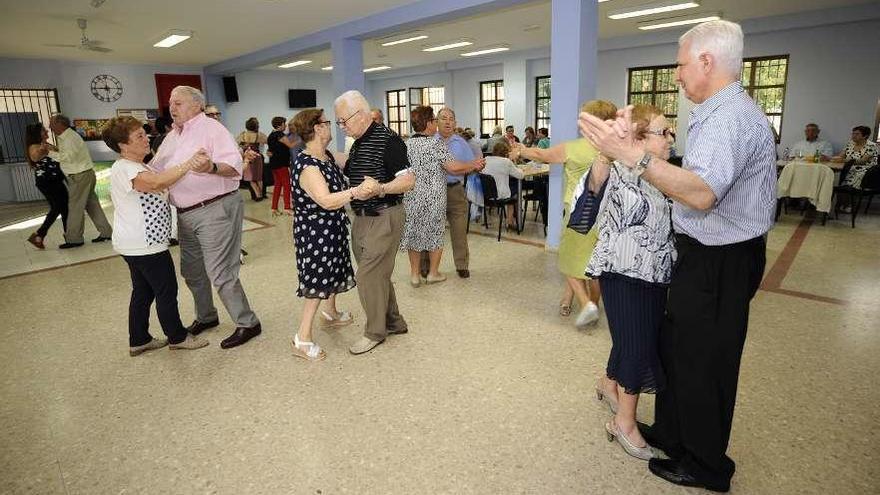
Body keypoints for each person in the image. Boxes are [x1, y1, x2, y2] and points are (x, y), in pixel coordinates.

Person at [580, 20, 776, 492]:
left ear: (707, 62)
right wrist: (617, 157)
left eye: (682, 64)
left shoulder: (729, 116)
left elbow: (704, 193)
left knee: (705, 361)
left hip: (721, 258)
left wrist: (635, 155)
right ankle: (673, 434)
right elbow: (589, 209)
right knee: (679, 351)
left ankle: (706, 464)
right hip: (701, 254)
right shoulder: (714, 111)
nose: (677, 74)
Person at [584, 104, 676, 461]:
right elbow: (588, 201)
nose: (670, 139)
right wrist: (605, 153)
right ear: (637, 137)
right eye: (663, 132)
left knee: (634, 336)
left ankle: (608, 382)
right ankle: (623, 423)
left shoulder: (661, 171)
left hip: (656, 271)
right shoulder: (614, 169)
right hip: (624, 273)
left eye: (670, 132)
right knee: (637, 345)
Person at [151, 85, 263, 350]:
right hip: (186, 213)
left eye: (178, 103)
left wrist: (211, 167)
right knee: (191, 271)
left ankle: (248, 323)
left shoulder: (213, 130)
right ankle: (207, 316)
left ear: (196, 106)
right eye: (171, 102)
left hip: (215, 208)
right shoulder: (173, 136)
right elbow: (156, 167)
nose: (172, 107)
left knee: (220, 271)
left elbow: (234, 167)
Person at [102, 116, 209, 356]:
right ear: (123, 145)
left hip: (138, 243)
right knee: (165, 291)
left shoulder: (139, 165)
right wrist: (190, 162)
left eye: (144, 133)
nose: (146, 138)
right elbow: (157, 182)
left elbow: (161, 176)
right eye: (139, 136)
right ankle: (178, 337)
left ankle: (139, 339)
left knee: (143, 291)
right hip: (144, 245)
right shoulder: (127, 168)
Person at [510, 100, 618, 327]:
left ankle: (586, 304)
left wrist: (521, 150)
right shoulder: (616, 148)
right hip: (607, 214)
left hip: (579, 213)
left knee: (568, 259)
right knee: (593, 263)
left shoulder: (576, 147)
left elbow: (542, 153)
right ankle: (578, 302)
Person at [335, 90, 415, 355]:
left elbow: (408, 180)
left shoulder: (388, 141)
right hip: (362, 217)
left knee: (368, 275)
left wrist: (379, 188)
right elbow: (351, 168)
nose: (342, 126)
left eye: (343, 120)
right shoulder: (359, 142)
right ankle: (394, 321)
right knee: (378, 274)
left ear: (360, 115)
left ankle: (375, 332)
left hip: (384, 214)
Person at [289, 108, 370, 360]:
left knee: (333, 271)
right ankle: (302, 338)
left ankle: (330, 313)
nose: (331, 126)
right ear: (316, 129)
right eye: (326, 123)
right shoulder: (308, 165)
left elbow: (349, 162)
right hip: (315, 232)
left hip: (331, 227)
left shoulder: (325, 156)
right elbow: (325, 200)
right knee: (317, 281)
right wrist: (357, 191)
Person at [402, 106, 481, 288]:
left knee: (416, 233)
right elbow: (452, 167)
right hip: (435, 195)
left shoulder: (407, 144)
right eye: (438, 119)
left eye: (449, 118)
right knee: (435, 234)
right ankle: (431, 273)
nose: (444, 122)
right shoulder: (435, 143)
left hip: (415, 195)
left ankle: (415, 276)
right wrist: (474, 164)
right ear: (430, 123)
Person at [429, 107, 486, 279]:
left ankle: (462, 265)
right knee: (431, 230)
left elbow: (473, 165)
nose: (447, 122)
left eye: (451, 119)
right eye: (443, 118)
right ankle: (426, 267)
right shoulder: (429, 142)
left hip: (456, 191)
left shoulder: (461, 143)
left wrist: (477, 166)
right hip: (434, 191)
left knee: (459, 231)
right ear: (436, 122)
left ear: (455, 123)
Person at [47, 113, 113, 249]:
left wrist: (48, 153)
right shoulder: (66, 136)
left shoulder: (69, 137)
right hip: (84, 174)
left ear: (60, 124)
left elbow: (69, 157)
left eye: (52, 124)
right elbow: (69, 154)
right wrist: (54, 149)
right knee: (92, 205)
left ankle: (74, 239)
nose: (50, 127)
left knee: (75, 207)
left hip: (80, 176)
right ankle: (106, 232)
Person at [24, 124, 67, 250]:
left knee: (63, 208)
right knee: (58, 207)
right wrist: (44, 148)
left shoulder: (47, 144)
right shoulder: (34, 147)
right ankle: (40, 235)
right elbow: (35, 156)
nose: (46, 131)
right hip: (47, 182)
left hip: (57, 181)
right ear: (37, 133)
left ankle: (67, 235)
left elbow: (62, 154)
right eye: (43, 130)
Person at [482, 141, 524, 230]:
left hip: (486, 195)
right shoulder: (506, 162)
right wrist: (515, 162)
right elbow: (520, 175)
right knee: (516, 191)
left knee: (512, 186)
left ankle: (512, 219)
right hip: (500, 194)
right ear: (506, 153)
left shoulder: (486, 159)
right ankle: (510, 222)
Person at [267, 116, 294, 215]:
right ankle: (287, 207)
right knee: (287, 185)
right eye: (284, 123)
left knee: (277, 185)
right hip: (281, 164)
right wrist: (302, 139)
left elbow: (270, 150)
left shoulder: (271, 135)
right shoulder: (280, 135)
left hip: (273, 163)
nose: (286, 125)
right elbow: (291, 145)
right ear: (279, 125)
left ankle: (274, 208)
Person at [237, 117, 267, 201]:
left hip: (247, 156)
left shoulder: (243, 134)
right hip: (257, 157)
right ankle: (261, 194)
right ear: (256, 126)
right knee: (259, 177)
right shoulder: (259, 135)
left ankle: (257, 195)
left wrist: (244, 146)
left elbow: (237, 143)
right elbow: (267, 140)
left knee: (250, 178)